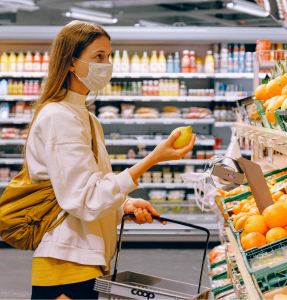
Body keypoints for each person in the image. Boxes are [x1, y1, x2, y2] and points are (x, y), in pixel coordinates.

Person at [26, 20, 196, 300]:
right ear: (71, 63)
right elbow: (83, 199)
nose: (107, 64)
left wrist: (122, 206)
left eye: (109, 56)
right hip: (66, 263)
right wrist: (152, 159)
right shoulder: (59, 117)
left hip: (85, 260)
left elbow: (86, 190)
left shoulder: (86, 118)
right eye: (98, 57)